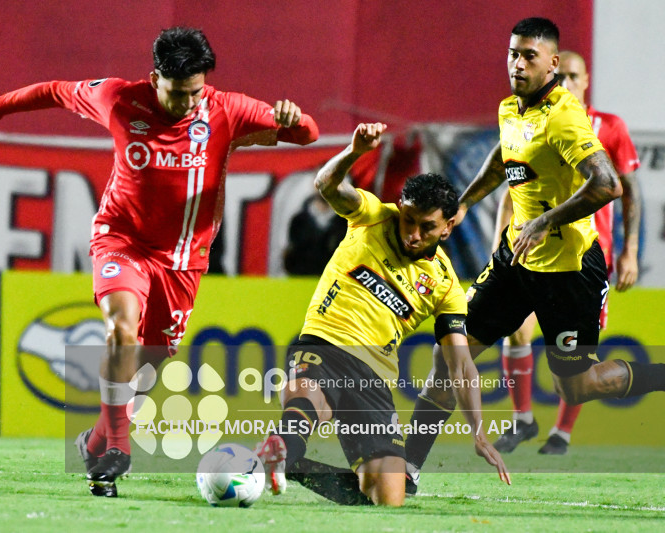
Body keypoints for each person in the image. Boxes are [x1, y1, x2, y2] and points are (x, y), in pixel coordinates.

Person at [0, 26, 319, 497]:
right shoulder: (118, 98)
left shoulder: (227, 109)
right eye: (177, 93)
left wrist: (294, 117)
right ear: (155, 78)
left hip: (182, 261)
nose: (187, 103)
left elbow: (308, 134)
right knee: (121, 328)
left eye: (195, 92)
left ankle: (97, 442)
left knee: (146, 372)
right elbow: (53, 90)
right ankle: (118, 446)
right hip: (122, 241)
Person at [402, 17, 664, 494]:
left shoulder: (565, 117)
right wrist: (465, 203)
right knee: (450, 355)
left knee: (576, 386)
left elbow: (608, 184)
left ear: (552, 64)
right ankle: (406, 471)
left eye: (529, 56)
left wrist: (546, 222)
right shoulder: (511, 107)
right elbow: (504, 157)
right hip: (516, 259)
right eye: (513, 54)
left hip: (570, 271)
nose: (517, 64)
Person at [254, 123, 510, 507]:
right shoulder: (373, 215)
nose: (413, 234)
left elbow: (460, 365)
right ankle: (284, 444)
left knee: (388, 497)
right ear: (401, 209)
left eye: (427, 227)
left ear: (447, 227)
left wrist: (478, 431)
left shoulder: (445, 285)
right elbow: (326, 185)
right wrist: (355, 152)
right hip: (325, 343)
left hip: (373, 377)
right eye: (409, 220)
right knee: (312, 401)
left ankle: (290, 462)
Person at [492, 50, 642, 455]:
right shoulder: (536, 121)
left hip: (586, 257)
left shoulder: (608, 127)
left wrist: (629, 250)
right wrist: (498, 247)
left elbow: (627, 190)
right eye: (564, 77)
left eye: (576, 76)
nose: (568, 83)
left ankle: (561, 432)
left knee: (575, 364)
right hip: (531, 252)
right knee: (516, 331)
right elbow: (512, 191)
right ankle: (523, 420)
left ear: (587, 80)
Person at [283, 191, 348, 275]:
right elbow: (289, 252)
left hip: (334, 277)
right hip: (301, 278)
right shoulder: (298, 220)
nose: (323, 186)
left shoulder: (346, 222)